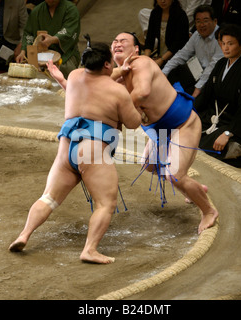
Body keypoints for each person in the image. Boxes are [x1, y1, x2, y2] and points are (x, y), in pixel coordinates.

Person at [9, 38, 142, 264]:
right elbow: (133, 123)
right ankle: (89, 249)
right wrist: (136, 103)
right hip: (92, 149)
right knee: (105, 204)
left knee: (49, 197)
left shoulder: (74, 76)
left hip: (67, 146)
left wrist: (121, 70)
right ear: (108, 66)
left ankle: (24, 234)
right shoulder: (117, 92)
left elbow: (92, 82)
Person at [112, 32, 219, 234]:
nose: (118, 43)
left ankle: (208, 211)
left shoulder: (141, 62)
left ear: (135, 49)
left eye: (123, 41)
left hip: (183, 123)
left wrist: (121, 105)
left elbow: (142, 92)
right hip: (159, 129)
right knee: (150, 165)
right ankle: (193, 188)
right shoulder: (118, 78)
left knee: (175, 175)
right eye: (114, 42)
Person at [194, 24, 241, 166]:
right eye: (223, 43)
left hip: (236, 122)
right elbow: (206, 94)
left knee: (224, 143)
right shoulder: (221, 64)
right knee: (191, 127)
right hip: (217, 118)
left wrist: (228, 133)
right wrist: (188, 111)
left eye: (230, 44)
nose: (225, 48)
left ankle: (235, 146)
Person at [162, 4, 224, 97]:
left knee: (189, 95)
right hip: (195, 71)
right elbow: (181, 54)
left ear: (214, 22)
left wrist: (196, 91)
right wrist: (163, 73)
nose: (202, 25)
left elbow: (212, 68)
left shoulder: (222, 38)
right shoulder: (196, 35)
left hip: (213, 78)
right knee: (171, 73)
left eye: (205, 21)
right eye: (198, 21)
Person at [16, 0, 81, 78]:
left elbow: (69, 31)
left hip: (65, 53)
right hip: (40, 54)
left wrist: (53, 39)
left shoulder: (70, 9)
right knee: (30, 71)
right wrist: (23, 51)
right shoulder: (37, 11)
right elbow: (28, 33)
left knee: (65, 71)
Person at [143, 0, 190, 68]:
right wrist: (146, 58)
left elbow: (178, 44)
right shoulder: (155, 13)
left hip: (177, 58)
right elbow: (150, 38)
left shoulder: (180, 15)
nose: (163, 1)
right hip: (161, 55)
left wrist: (162, 59)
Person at [139, 0, 212, 36]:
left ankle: (161, 38)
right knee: (143, 13)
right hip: (170, 17)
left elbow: (189, 15)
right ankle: (156, 38)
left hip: (185, 24)